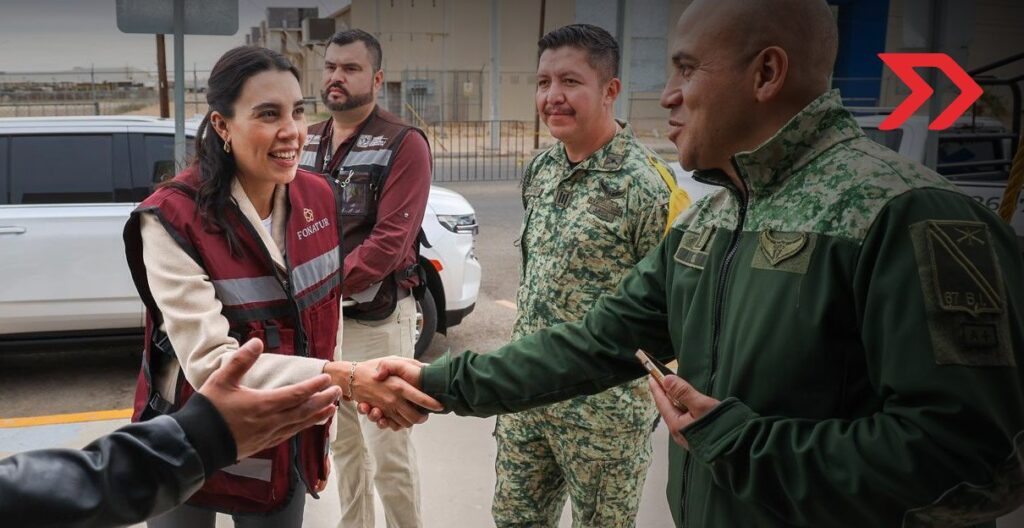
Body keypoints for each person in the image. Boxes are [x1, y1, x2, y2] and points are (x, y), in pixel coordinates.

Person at [365, 1, 1024, 526]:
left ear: (766, 74)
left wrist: (739, 443)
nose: (668, 95)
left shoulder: (910, 217)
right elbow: (594, 344)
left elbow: (976, 462)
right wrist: (441, 381)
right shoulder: (712, 221)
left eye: (685, 69)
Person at [122, 45, 440, 528]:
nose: (291, 130)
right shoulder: (171, 218)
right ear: (222, 126)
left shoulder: (317, 196)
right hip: (189, 441)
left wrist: (325, 422)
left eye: (297, 111)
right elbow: (212, 365)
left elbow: (325, 319)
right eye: (268, 114)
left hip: (282, 443)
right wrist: (349, 379)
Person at [489, 24, 680, 528]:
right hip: (528, 393)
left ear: (610, 90)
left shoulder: (647, 186)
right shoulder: (540, 170)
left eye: (570, 81)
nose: (553, 97)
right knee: (513, 520)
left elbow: (669, 310)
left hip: (605, 416)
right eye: (543, 81)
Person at [298, 29, 432, 528]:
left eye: (350, 68)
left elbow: (389, 245)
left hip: (377, 324)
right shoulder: (306, 138)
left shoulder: (404, 143)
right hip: (322, 328)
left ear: (376, 79)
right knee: (344, 447)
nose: (336, 76)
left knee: (389, 455)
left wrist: (313, 290)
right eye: (330, 66)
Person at [0, 338, 342, 528]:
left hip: (259, 446)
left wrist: (323, 437)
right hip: (181, 430)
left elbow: (322, 316)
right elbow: (208, 357)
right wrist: (200, 438)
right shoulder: (166, 215)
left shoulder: (310, 211)